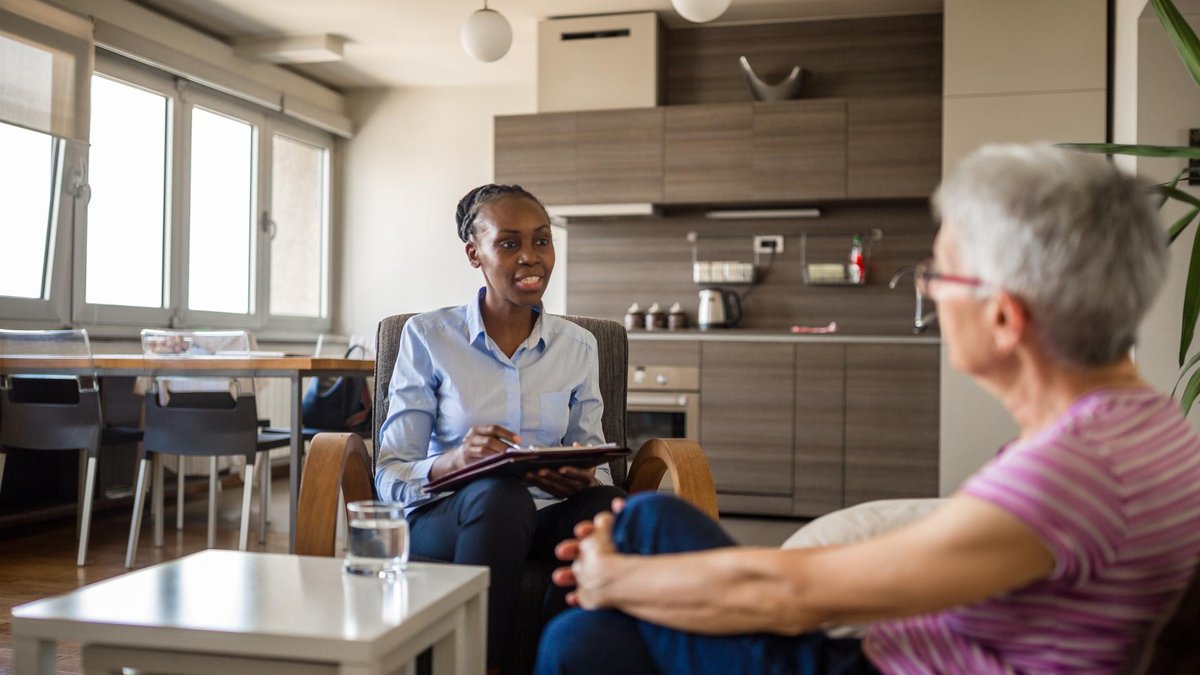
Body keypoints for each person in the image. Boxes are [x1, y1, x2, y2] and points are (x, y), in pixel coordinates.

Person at [535, 144, 1200, 675]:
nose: (930, 295)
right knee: (627, 554)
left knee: (590, 618)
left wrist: (612, 577)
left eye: (938, 275)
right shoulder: (1141, 420)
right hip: (908, 648)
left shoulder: (1073, 470)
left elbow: (795, 596)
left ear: (1003, 317)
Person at [375, 183, 626, 673]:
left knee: (603, 507)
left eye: (542, 240)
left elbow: (594, 459)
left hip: (545, 519)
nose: (532, 257)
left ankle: (559, 662)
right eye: (509, 243)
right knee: (498, 495)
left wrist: (582, 475)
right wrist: (458, 461)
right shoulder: (427, 336)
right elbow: (390, 473)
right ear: (475, 254)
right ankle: (478, 665)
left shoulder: (579, 346)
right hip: (454, 518)